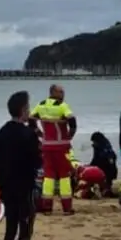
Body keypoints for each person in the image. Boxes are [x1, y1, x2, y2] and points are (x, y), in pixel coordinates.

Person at [0, 90, 44, 240]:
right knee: (25, 233)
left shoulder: (1, 133)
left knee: (10, 231)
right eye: (28, 107)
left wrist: (0, 187)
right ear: (23, 110)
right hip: (24, 189)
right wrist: (35, 130)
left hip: (7, 188)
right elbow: (38, 160)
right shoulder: (28, 135)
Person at [30, 84, 77, 215]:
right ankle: (67, 208)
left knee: (49, 176)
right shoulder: (62, 106)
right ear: (54, 92)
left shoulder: (41, 105)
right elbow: (72, 120)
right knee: (64, 176)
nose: (63, 94)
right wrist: (70, 135)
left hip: (47, 146)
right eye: (61, 92)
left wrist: (39, 133)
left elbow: (31, 119)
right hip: (61, 146)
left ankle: (47, 207)